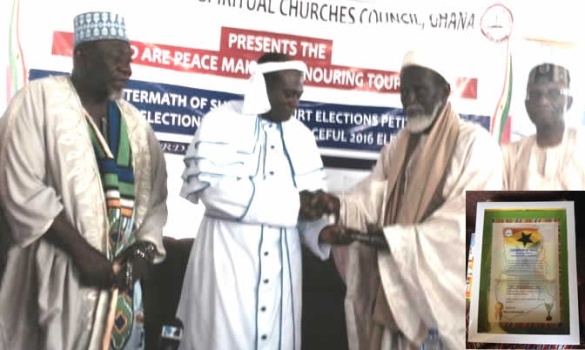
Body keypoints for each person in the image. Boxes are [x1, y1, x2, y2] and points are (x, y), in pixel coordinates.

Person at [308, 49, 504, 349]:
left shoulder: (475, 145)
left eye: (420, 90)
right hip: (392, 294)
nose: (410, 99)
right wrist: (340, 205)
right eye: (405, 90)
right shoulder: (398, 146)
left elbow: (466, 224)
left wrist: (398, 241)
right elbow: (377, 197)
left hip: (436, 307)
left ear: (445, 91)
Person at [0, 11, 168, 350]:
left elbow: (155, 203)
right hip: (58, 272)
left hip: (119, 291)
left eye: (129, 57)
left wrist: (144, 253)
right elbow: (20, 185)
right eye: (115, 56)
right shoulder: (40, 100)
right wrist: (83, 255)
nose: (127, 67)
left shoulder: (135, 123)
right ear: (82, 54)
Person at [176, 52, 332, 350]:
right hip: (227, 265)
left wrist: (322, 232)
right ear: (262, 85)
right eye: (288, 94)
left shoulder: (303, 137)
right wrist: (296, 204)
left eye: (298, 94)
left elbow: (308, 209)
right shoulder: (220, 121)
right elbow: (215, 192)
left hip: (282, 270)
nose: (294, 102)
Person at [503, 63, 585, 190]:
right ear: (527, 105)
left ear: (568, 102)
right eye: (535, 94)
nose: (543, 101)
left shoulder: (581, 146)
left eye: (554, 93)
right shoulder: (510, 155)